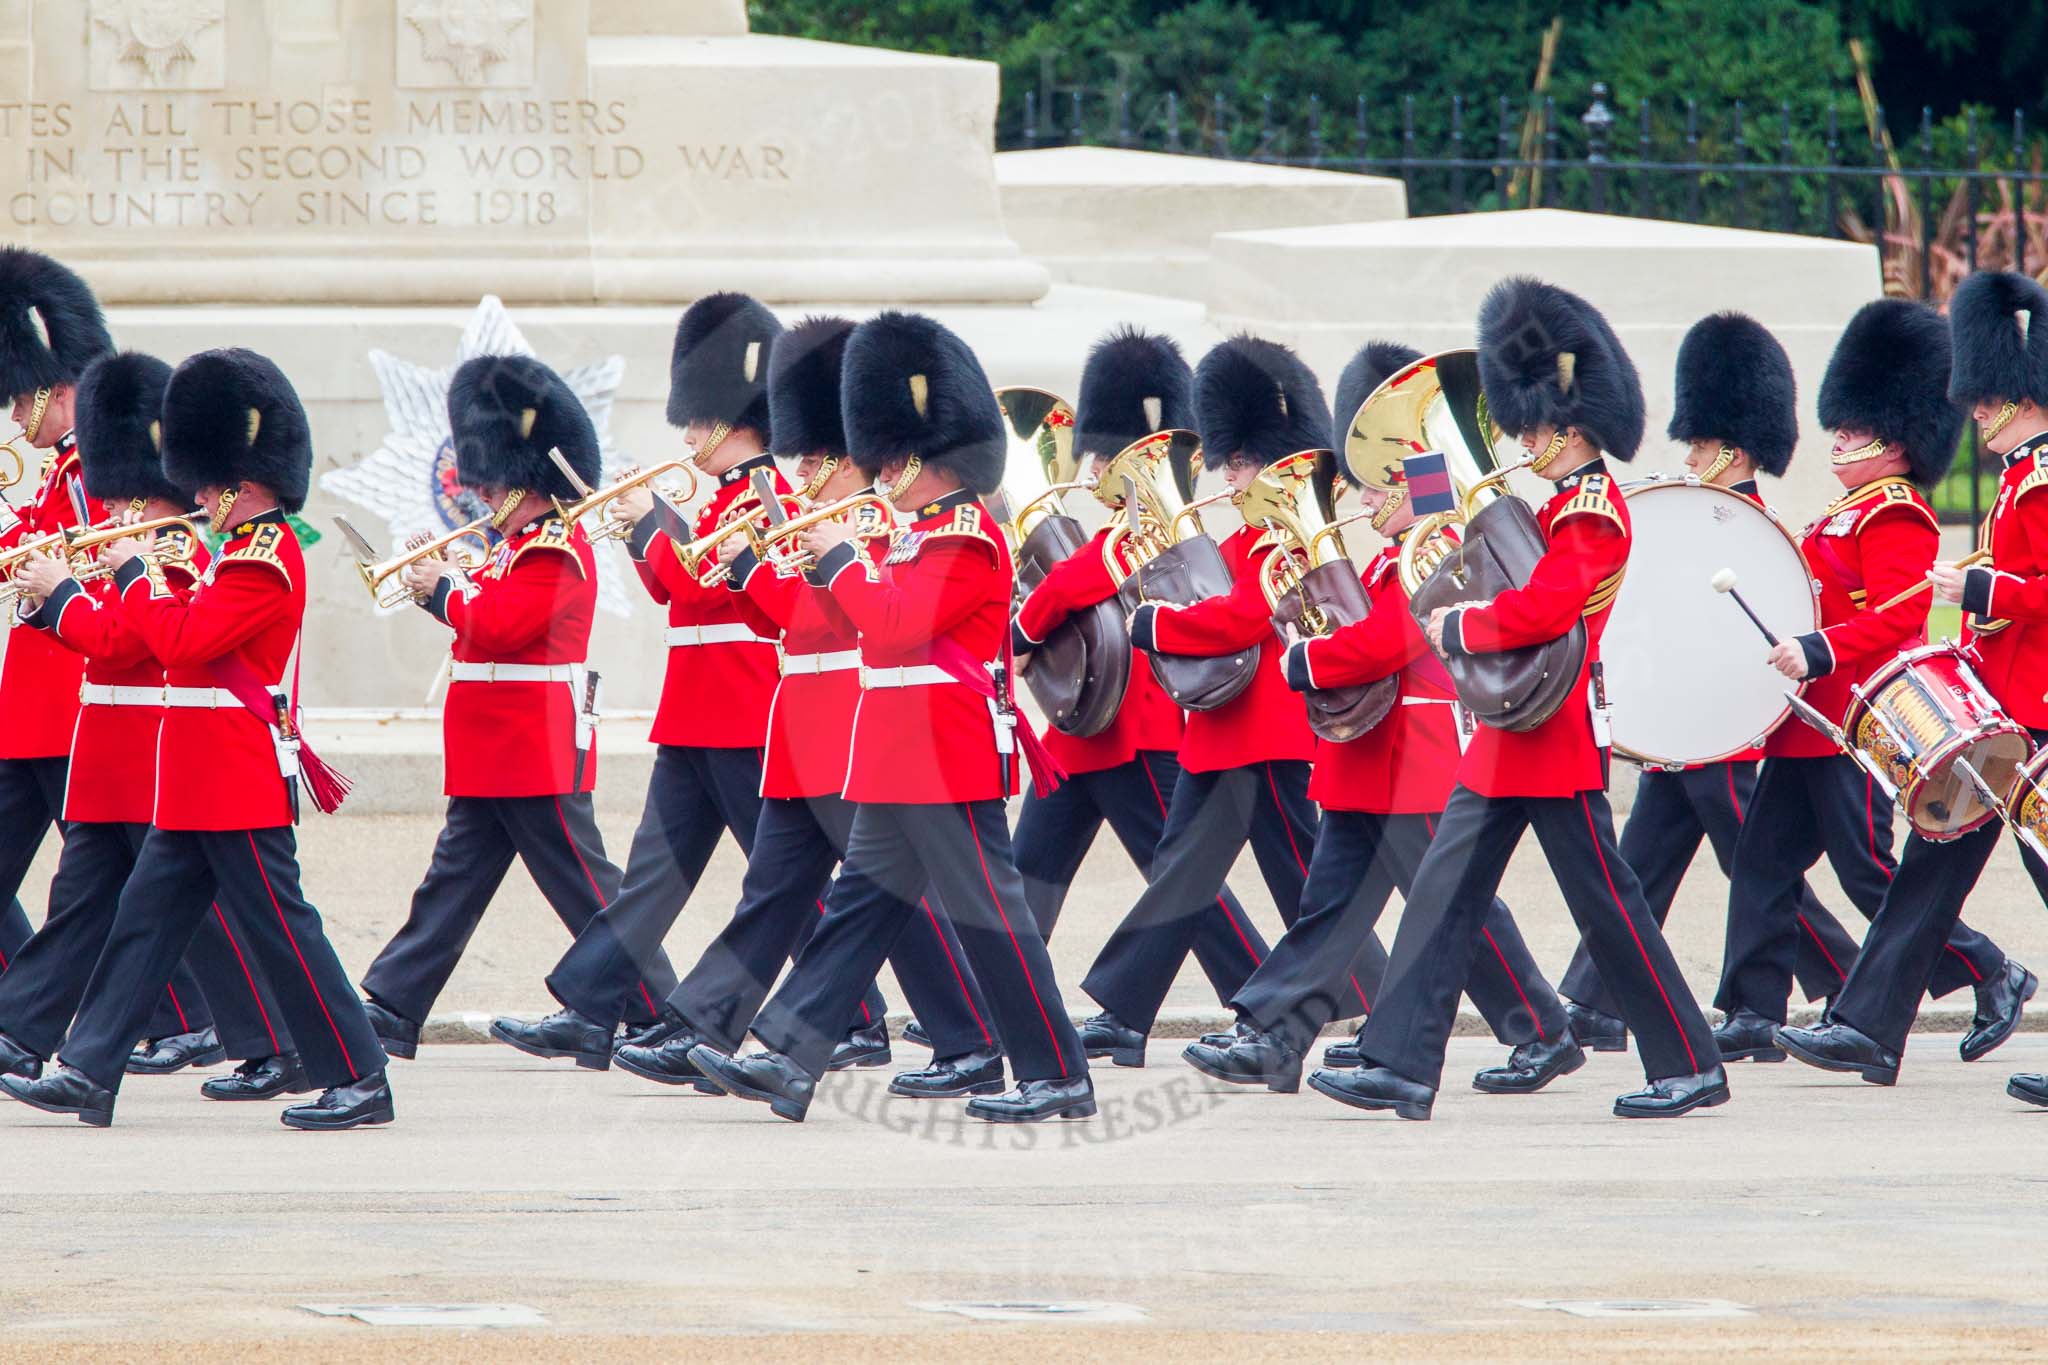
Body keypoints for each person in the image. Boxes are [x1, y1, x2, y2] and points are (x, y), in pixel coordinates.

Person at [509, 316, 998, 1088]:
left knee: (885, 902)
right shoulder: (825, 521)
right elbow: (765, 614)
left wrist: (760, 566)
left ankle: (957, 1035)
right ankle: (712, 1023)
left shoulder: (868, 526)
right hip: (799, 713)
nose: (802, 471)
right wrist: (713, 557)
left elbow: (830, 618)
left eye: (817, 458)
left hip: (848, 715)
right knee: (781, 890)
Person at [1311, 277, 1725, 1122]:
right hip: (1512, 729)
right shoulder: (1551, 502)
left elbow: (1544, 608)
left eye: (1534, 426)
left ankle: (1690, 1061)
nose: (1521, 438)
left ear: (1573, 430)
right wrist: (1434, 502)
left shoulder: (1595, 510)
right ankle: (1400, 1062)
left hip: (1554, 729)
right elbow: (1490, 558)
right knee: (1444, 890)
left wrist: (1462, 625)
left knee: (1608, 909)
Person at [688, 309, 1094, 1123]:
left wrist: (839, 553)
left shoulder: (969, 535)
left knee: (992, 919)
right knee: (857, 911)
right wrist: (833, 557)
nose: (886, 471)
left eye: (897, 458)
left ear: (931, 459)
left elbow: (895, 625)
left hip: (945, 757)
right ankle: (790, 1059)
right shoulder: (911, 534)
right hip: (896, 755)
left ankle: (1058, 1073)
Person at [0, 347, 391, 1129]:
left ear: (244, 484)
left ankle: (359, 1075)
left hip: (235, 781)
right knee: (141, 926)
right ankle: (86, 1068)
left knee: (285, 931)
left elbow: (181, 642)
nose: (199, 496)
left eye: (210, 484)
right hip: (192, 782)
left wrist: (135, 573)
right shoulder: (233, 553)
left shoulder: (266, 559)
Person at [1184, 339, 1577, 1095]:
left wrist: (1310, 662)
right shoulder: (1390, 555)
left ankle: (1541, 1025)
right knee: (1329, 909)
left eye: (1376, 489)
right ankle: (1277, 1033)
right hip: (1368, 755)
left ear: (1409, 481)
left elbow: (1393, 636)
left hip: (1415, 755)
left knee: (1456, 905)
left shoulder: (1439, 550)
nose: (1363, 501)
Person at [1713, 297, 2030, 1066]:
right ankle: (1765, 1009)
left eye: (1852, 430)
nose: (1838, 439)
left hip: (1864, 719)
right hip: (1811, 719)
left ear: (1893, 441)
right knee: (1764, 861)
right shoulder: (1843, 511)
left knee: (1874, 871)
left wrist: (1820, 652)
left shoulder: (1896, 513)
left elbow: (1898, 616)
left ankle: (1987, 970)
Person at [478, 293, 789, 1067]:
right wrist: (634, 529)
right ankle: (591, 1009)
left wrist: (649, 518)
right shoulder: (721, 499)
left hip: (744, 707)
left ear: (733, 421)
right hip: (697, 707)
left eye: (696, 421)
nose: (686, 435)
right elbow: (670, 589)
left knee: (786, 879)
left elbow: (695, 586)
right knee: (651, 877)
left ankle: (849, 1016)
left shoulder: (763, 498)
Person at [1557, 313, 1880, 1052]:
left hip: (1725, 726)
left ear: (1730, 450)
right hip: (1684, 722)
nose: (1690, 452)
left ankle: (1848, 973)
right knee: (1640, 863)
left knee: (1753, 864)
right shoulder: (1697, 523)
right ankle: (1594, 997)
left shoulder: (1755, 537)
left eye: (1699, 443)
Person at [358, 354, 670, 1059]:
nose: (486, 491)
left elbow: (499, 625)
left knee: (586, 883)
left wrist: (443, 587)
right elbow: (486, 623)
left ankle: (657, 1008)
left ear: (528, 482)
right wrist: (442, 586)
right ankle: (395, 1003)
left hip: (533, 742)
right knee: (452, 882)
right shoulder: (512, 546)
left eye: (497, 480)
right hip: (494, 745)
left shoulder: (557, 548)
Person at [1073, 334, 1337, 1067]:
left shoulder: (1290, 538)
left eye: (1244, 460)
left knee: (1310, 889)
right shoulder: (1244, 537)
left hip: (1271, 736)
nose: (1232, 473)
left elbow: (1244, 617)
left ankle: (1360, 1011)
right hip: (1219, 732)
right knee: (1180, 875)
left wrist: (1159, 623)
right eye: (1232, 460)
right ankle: (1127, 1015)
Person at [1009, 326, 1270, 1024]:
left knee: (1182, 880)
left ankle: (1261, 997)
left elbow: (1081, 577)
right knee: (1027, 865)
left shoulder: (1163, 524)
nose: (1092, 470)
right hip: (1085, 720)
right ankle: (999, 1005)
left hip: (1140, 724)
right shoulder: (1125, 524)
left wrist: (1027, 626)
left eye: (1103, 456)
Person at [0, 248, 114, 962]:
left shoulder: (90, 474)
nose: (15, 418)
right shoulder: (62, 473)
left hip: (69, 702)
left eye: (18, 398)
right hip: (37, 703)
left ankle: (181, 1015)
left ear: (52, 386)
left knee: (120, 879)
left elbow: (74, 574)